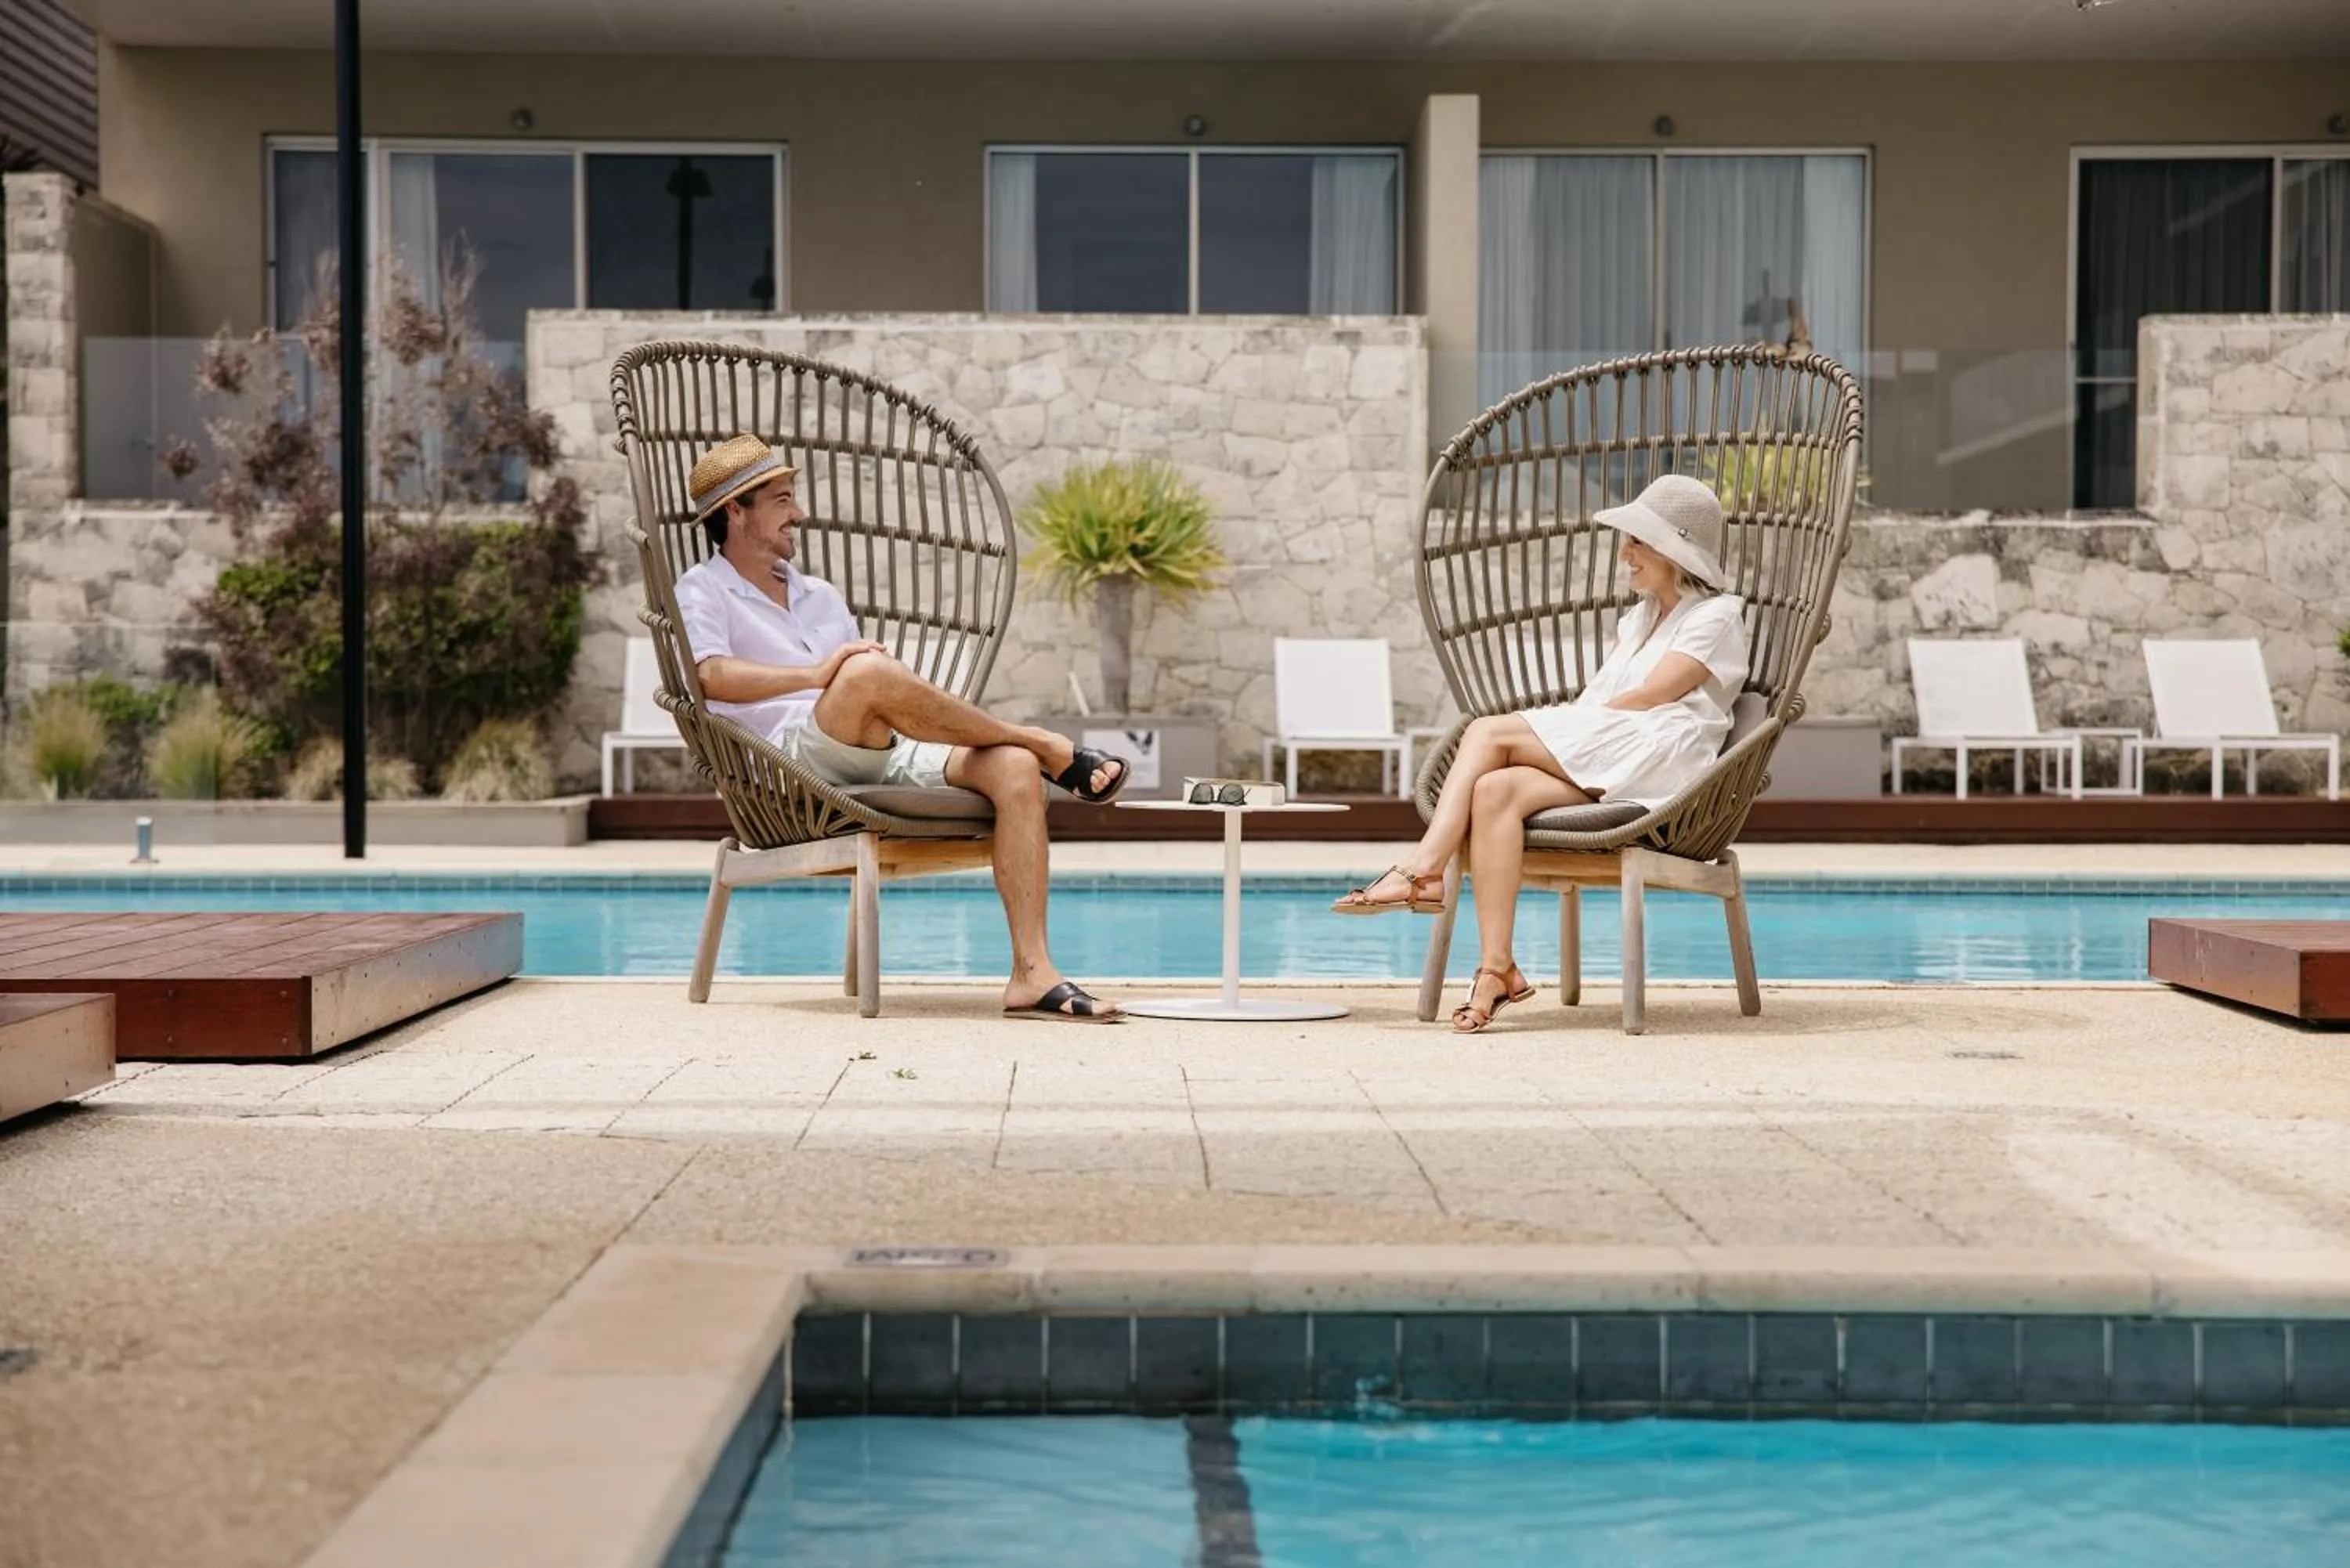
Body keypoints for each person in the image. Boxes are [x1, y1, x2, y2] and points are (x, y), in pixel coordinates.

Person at [672, 433, 1131, 1022]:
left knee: (1012, 768)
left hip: (868, 747)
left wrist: (864, 682)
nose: (800, 515)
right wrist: (818, 673)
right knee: (864, 672)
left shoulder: (820, 595)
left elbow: (868, 693)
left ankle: (1031, 974)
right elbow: (709, 676)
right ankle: (1043, 741)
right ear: (736, 511)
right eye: (783, 500)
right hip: (792, 767)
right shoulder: (703, 588)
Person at [1329, 474, 1749, 1034]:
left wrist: (1568, 727)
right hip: (1616, 751)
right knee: (1493, 790)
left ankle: (1422, 870)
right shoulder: (1641, 618)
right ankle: (1496, 970)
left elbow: (1655, 694)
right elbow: (1608, 696)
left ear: (1677, 551)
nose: (1624, 553)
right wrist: (1572, 727)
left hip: (1661, 755)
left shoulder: (1718, 616)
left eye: (1638, 542)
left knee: (1486, 733)